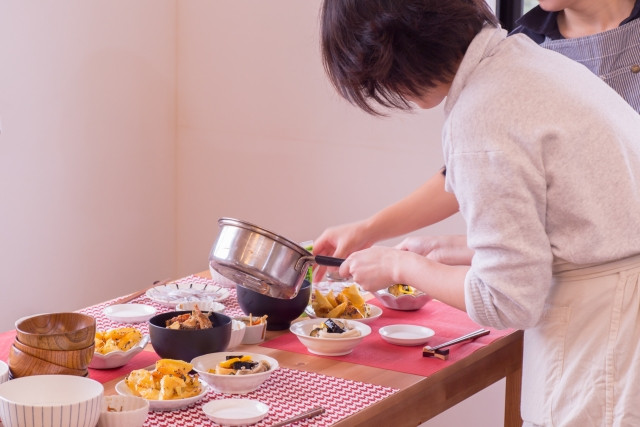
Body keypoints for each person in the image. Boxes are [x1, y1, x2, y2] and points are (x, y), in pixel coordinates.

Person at [316, 1, 640, 426]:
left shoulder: (483, 114)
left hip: (601, 336)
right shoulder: (523, 61)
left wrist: (402, 264)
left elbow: (507, 301)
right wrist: (461, 248)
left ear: (388, 54)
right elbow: (584, 217)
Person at [312, 0, 640, 281]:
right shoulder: (524, 45)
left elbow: (508, 297)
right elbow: (478, 172)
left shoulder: (492, 91)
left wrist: (404, 267)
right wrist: (373, 231)